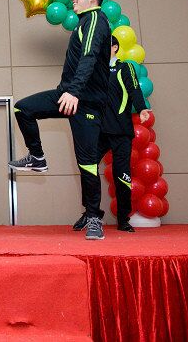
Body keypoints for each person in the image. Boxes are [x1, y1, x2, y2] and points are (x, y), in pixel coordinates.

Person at [10, 0, 111, 240]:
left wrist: (75, 91)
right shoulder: (82, 23)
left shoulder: (95, 20)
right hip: (66, 94)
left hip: (84, 101)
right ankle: (37, 157)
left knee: (87, 163)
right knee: (23, 109)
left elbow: (89, 57)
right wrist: (69, 91)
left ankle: (94, 217)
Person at [73, 36, 151, 233]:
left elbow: (134, 89)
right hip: (98, 130)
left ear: (115, 48)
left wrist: (141, 108)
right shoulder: (93, 70)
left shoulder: (125, 68)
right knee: (87, 169)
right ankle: (91, 213)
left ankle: (123, 219)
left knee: (121, 174)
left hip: (120, 130)